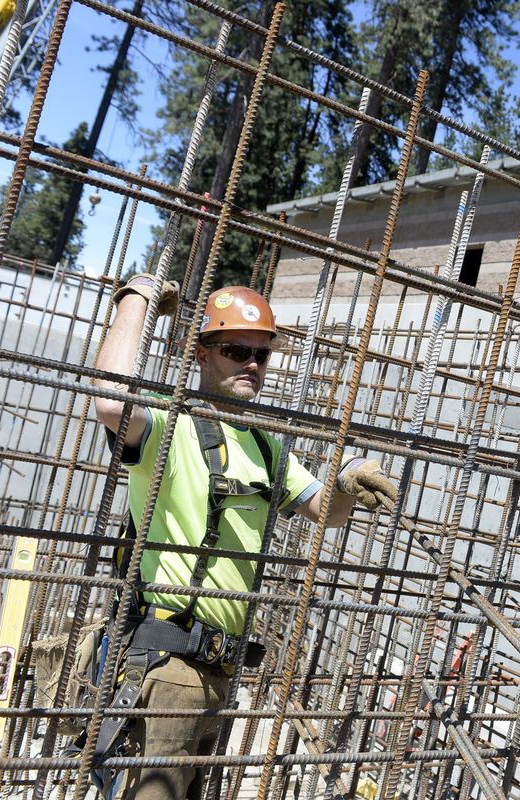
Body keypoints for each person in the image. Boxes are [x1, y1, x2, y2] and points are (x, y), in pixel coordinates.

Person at [93, 277, 397, 800]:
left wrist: (346, 478)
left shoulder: (264, 446)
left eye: (261, 354)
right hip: (170, 668)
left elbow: (325, 511)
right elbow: (111, 403)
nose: (252, 364)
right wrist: (136, 299)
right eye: (236, 350)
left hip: (221, 672)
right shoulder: (171, 422)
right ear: (202, 354)